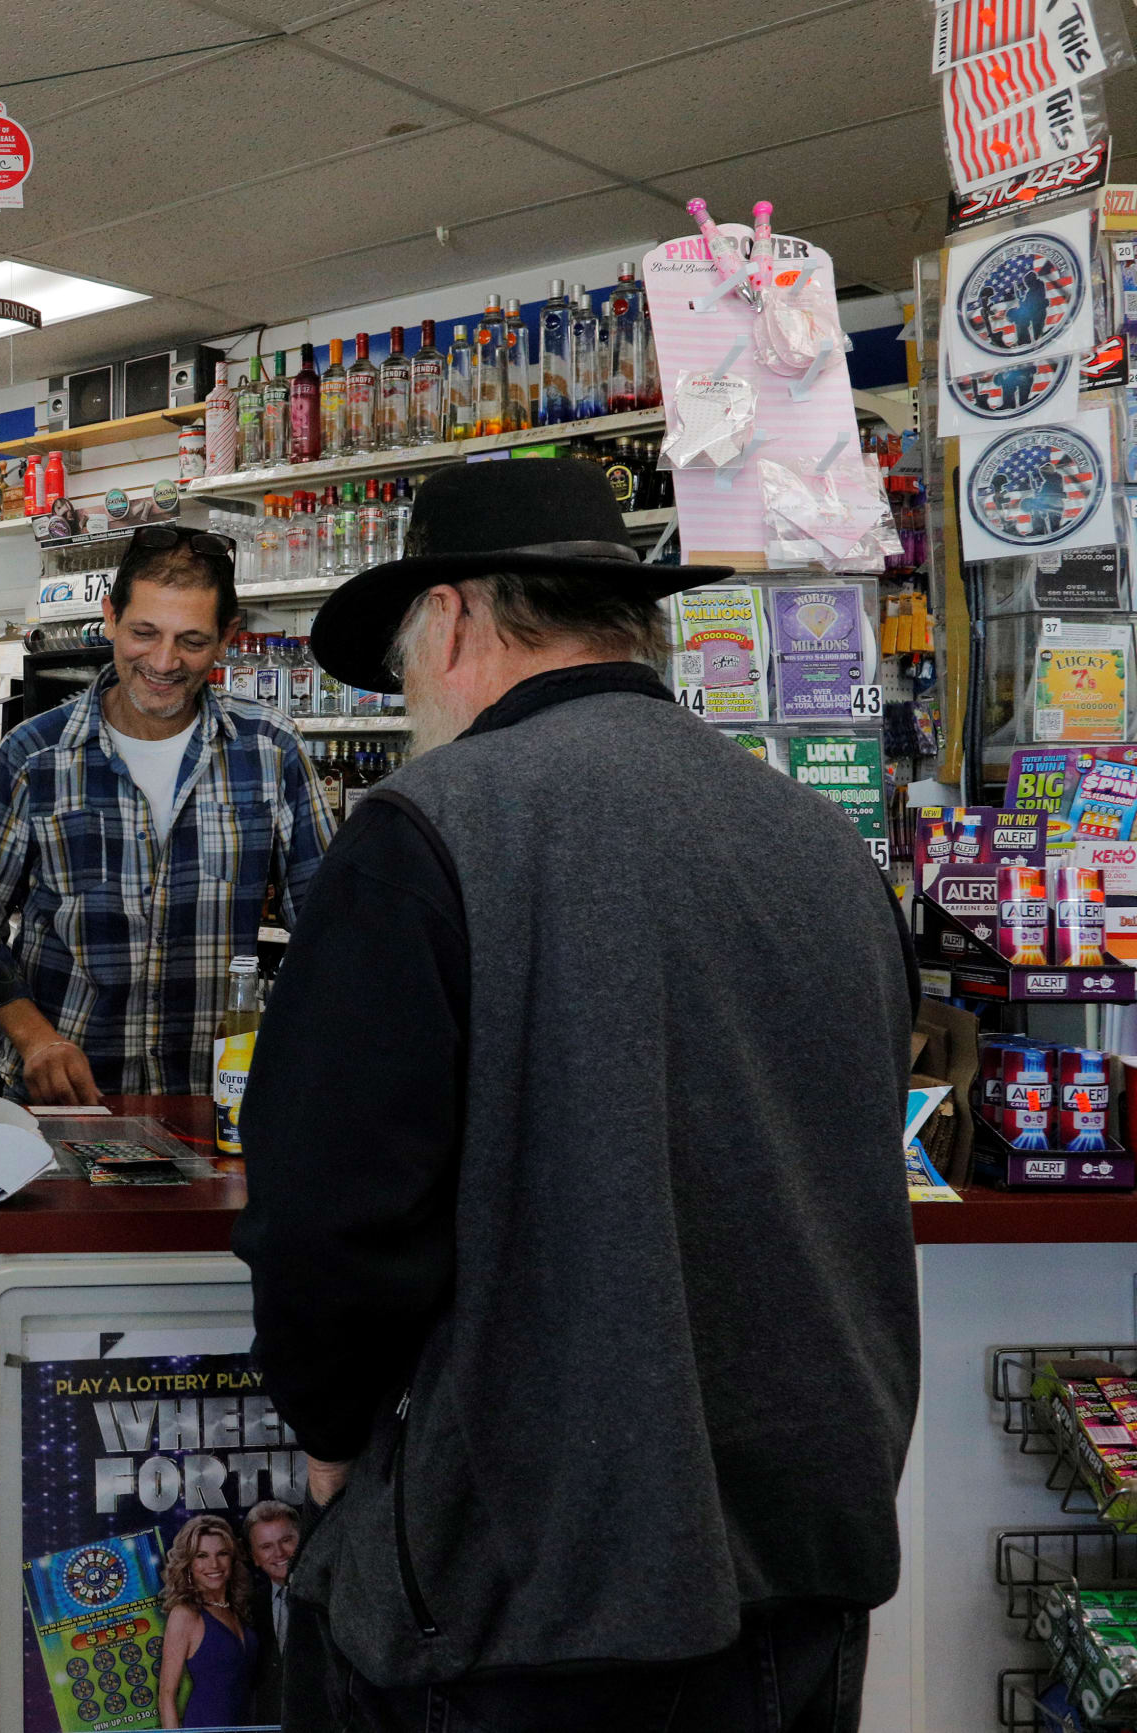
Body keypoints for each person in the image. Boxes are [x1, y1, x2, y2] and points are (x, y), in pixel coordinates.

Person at [230, 459, 918, 1731]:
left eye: (402, 659)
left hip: (514, 1601)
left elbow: (331, 1209)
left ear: (451, 619)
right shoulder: (819, 845)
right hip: (795, 1575)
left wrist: (326, 1427)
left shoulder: (426, 827)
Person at [0, 525, 329, 1104]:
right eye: (143, 632)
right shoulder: (35, 756)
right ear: (109, 617)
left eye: (192, 640)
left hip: (216, 1100)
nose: (163, 661)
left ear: (228, 636)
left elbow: (330, 925)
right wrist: (35, 1041)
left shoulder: (270, 750)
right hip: (64, 1101)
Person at [158, 1514, 258, 1730]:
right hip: (206, 1725)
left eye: (222, 1553)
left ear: (232, 1558)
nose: (214, 1564)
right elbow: (166, 1695)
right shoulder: (185, 1614)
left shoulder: (237, 1608)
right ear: (189, 1564)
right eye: (202, 1555)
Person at [244, 1501, 300, 1726]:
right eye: (266, 1546)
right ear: (255, 1557)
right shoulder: (248, 1607)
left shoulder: (331, 1596)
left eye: (287, 1540)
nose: (279, 1553)